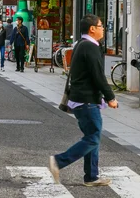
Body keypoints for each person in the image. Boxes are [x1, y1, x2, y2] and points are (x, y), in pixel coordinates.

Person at [49, 14, 118, 187]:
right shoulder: (90, 46)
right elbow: (98, 76)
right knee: (93, 138)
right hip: (86, 100)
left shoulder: (82, 44)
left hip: (81, 99)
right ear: (92, 29)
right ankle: (59, 161)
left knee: (92, 136)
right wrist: (111, 97)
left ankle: (91, 176)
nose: (103, 28)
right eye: (101, 25)